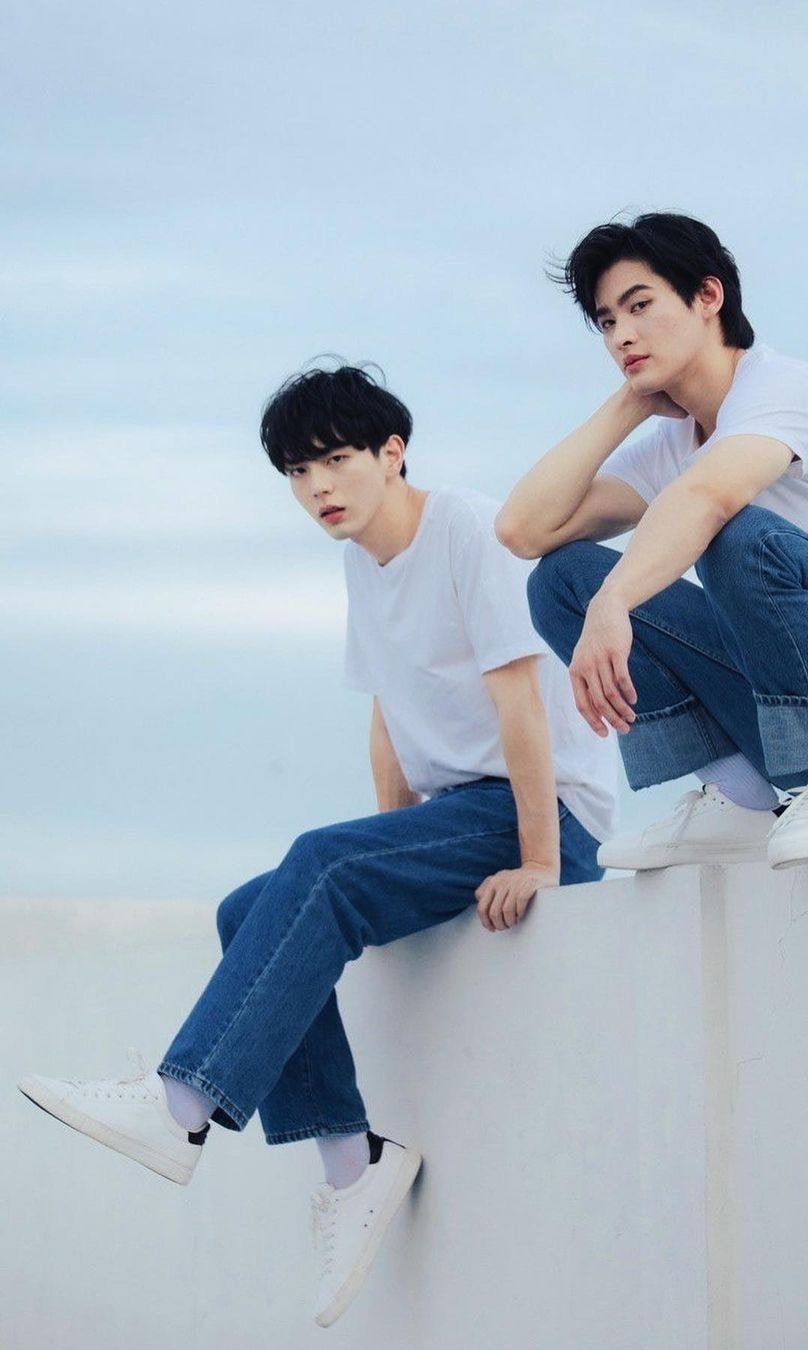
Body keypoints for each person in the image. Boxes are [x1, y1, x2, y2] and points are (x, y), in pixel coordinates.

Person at [19, 363, 616, 1328]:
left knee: (317, 864)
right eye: (298, 472)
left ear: (392, 452)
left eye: (336, 460)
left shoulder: (468, 530)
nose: (318, 488)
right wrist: (383, 846)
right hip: (459, 815)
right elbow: (389, 715)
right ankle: (352, 1163)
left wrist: (542, 861)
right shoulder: (361, 563)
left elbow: (522, 702)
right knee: (250, 909)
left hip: (538, 812)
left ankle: (180, 1106)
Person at [497, 212, 808, 871]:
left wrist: (615, 602)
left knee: (736, 534)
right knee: (561, 581)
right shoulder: (673, 441)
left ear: (708, 296)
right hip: (786, 705)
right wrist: (629, 403)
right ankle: (741, 798)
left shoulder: (784, 389)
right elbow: (524, 529)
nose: (622, 335)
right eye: (608, 321)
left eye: (639, 307)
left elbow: (709, 497)